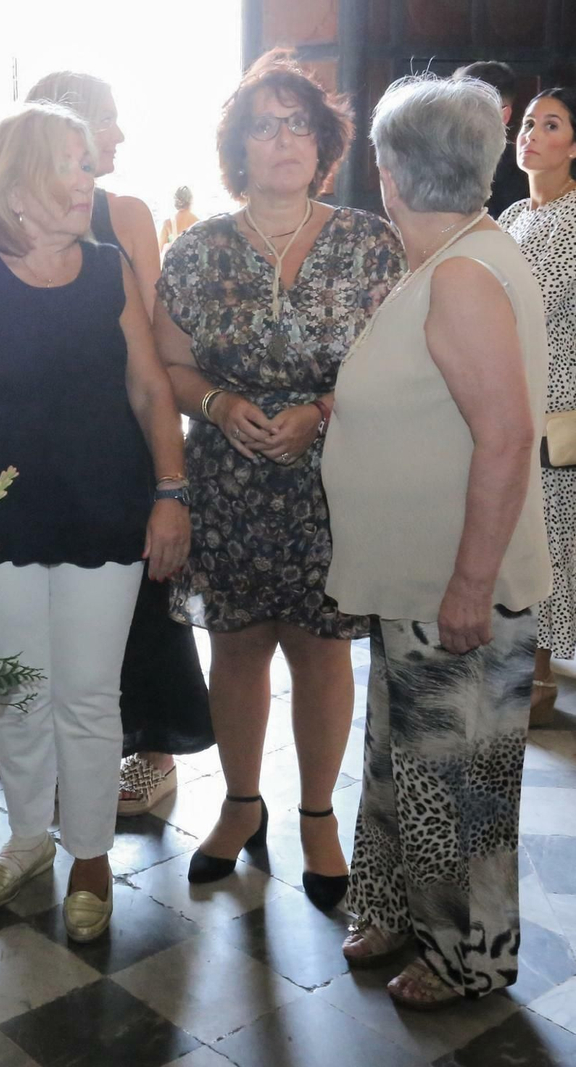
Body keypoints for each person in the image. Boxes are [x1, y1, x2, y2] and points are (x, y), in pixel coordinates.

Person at [0, 103, 188, 939]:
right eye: (71, 162)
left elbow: (149, 388)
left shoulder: (109, 269)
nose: (87, 177)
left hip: (105, 507)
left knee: (89, 695)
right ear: (19, 178)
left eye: (89, 163)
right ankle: (29, 837)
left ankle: (91, 856)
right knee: (21, 691)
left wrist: (173, 491)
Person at [155, 52, 405, 908]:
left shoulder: (372, 244)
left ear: (326, 141)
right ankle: (239, 806)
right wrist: (221, 405)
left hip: (333, 478)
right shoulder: (195, 251)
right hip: (228, 481)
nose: (284, 139)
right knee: (237, 647)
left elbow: (397, 362)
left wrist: (324, 408)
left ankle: (316, 816)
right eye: (264, 125)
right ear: (239, 148)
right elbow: (170, 366)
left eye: (299, 122)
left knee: (323, 648)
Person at [326, 74, 551, 1009]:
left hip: (458, 588)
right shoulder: (459, 253)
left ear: (387, 173)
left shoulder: (462, 272)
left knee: (458, 788)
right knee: (403, 764)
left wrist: (469, 583)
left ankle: (470, 956)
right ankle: (391, 909)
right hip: (414, 582)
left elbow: (502, 438)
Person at [29, 70, 213, 818]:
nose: (119, 137)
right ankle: (66, 746)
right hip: (41, 442)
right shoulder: (7, 214)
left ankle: (156, 751)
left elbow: (152, 344)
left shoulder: (125, 212)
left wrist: (168, 470)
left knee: (143, 599)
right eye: (108, 121)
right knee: (54, 607)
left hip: (124, 431)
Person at [500, 87, 576, 726]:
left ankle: (542, 672)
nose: (532, 133)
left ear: (573, 146)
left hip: (561, 403)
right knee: (515, 529)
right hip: (506, 397)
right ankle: (515, 657)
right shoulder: (511, 217)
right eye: (528, 122)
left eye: (550, 125)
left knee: (550, 535)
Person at [454, 60, 529, 217]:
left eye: (473, 107)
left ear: (504, 115)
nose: (461, 116)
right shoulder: (436, 157)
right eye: (457, 105)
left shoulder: (522, 173)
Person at [159, 185, 199, 254]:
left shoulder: (168, 223)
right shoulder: (198, 222)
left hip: (173, 263)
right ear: (191, 200)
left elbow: (160, 251)